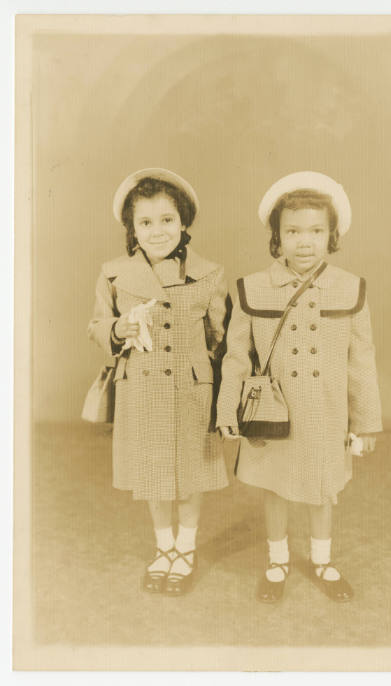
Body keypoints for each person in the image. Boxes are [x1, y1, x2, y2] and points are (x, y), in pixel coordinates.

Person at [217, 171, 382, 603]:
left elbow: (361, 360)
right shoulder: (252, 288)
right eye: (292, 231)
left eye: (315, 231)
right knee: (276, 488)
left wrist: (365, 424)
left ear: (332, 236)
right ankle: (277, 561)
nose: (304, 241)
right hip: (273, 413)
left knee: (323, 488)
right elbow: (236, 357)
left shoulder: (350, 289)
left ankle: (323, 560)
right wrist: (225, 411)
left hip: (327, 413)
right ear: (276, 237)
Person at [88, 168, 230, 595]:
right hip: (143, 389)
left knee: (190, 472)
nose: (157, 231)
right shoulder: (114, 274)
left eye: (167, 220)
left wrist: (215, 388)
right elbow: (96, 324)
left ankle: (186, 548)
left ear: (184, 222)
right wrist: (118, 331)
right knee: (152, 473)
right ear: (132, 229)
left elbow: (219, 337)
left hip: (191, 390)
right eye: (145, 222)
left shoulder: (209, 274)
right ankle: (163, 548)